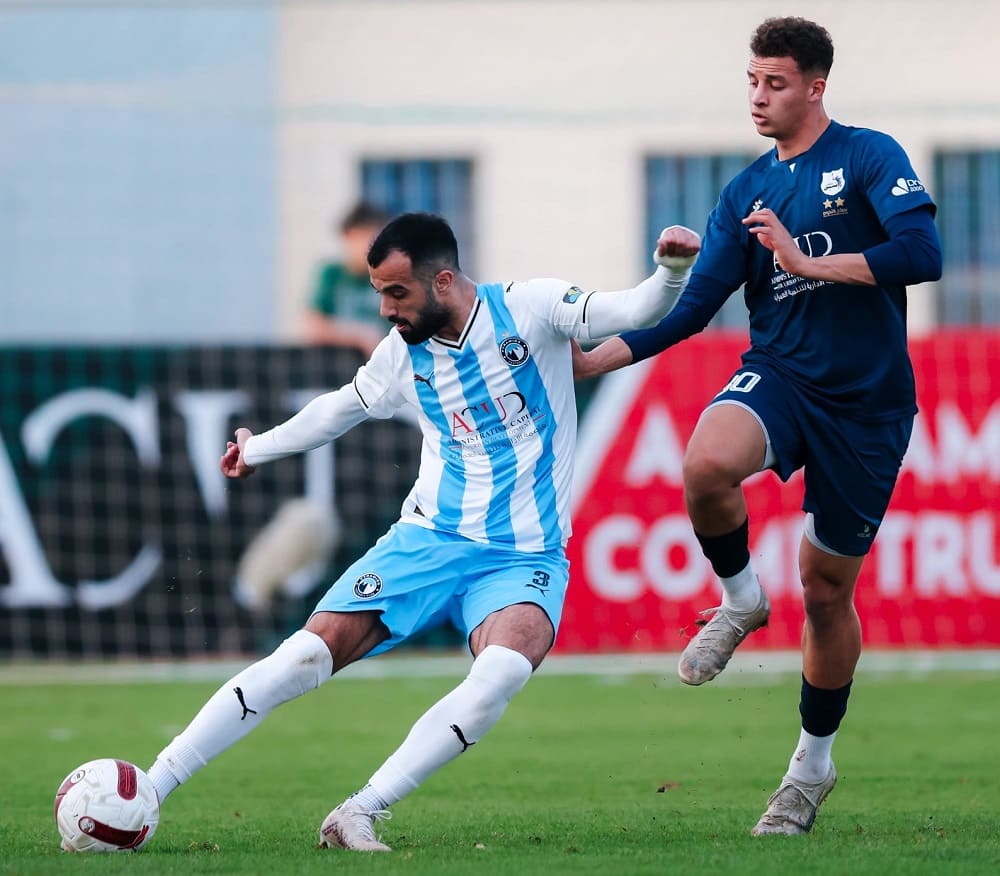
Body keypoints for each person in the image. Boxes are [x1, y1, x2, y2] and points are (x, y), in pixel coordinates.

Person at [146, 212, 701, 851]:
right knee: (303, 656)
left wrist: (672, 269)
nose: (385, 309)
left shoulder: (532, 308)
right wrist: (256, 449)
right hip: (428, 540)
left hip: (525, 556)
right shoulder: (399, 354)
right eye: (378, 293)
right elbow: (338, 409)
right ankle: (149, 789)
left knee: (502, 673)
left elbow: (636, 308)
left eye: (396, 292)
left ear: (442, 281)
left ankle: (359, 811)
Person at [574, 17, 941, 836]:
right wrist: (601, 359)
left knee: (825, 592)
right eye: (752, 81)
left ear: (815, 86)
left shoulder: (869, 155)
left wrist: (806, 263)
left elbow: (923, 253)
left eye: (775, 83)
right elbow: (695, 308)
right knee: (705, 465)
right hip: (782, 376)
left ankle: (810, 768)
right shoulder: (745, 192)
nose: (758, 97)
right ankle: (739, 601)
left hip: (870, 405)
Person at [305, 201, 390, 356]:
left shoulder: (391, 278)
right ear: (347, 237)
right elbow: (314, 326)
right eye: (362, 237)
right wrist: (357, 336)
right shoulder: (333, 274)